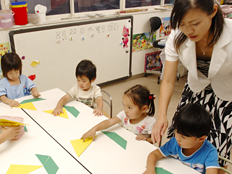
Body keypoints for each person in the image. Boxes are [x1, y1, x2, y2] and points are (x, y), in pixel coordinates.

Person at [151, 0, 232, 172]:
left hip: (227, 95)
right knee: (183, 139)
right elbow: (167, 80)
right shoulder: (177, 37)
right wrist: (161, 115)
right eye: (182, 24)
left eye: (195, 23)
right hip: (195, 91)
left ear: (213, 11)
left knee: (216, 151)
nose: (189, 31)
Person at [144, 103, 219, 174]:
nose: (178, 138)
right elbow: (154, 154)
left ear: (201, 139)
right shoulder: (174, 143)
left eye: (183, 137)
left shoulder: (210, 152)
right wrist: (150, 169)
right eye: (176, 132)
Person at [81, 84, 156, 143]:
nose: (125, 110)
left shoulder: (150, 122)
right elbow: (109, 122)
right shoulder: (125, 114)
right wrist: (95, 129)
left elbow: (154, 140)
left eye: (129, 107)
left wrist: (146, 139)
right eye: (124, 105)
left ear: (144, 109)